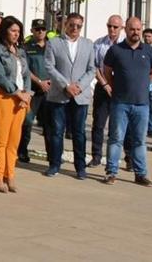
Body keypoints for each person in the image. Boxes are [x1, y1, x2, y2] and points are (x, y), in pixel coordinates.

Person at [101, 16, 152, 186]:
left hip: (142, 104)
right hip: (120, 103)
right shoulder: (116, 50)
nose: (136, 32)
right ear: (125, 29)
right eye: (132, 29)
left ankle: (140, 174)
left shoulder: (148, 50)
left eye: (138, 29)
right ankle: (111, 172)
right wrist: (115, 87)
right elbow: (107, 71)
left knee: (139, 141)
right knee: (116, 138)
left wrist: (143, 84)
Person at [44, 12, 95, 180]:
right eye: (72, 25)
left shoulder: (88, 44)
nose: (75, 28)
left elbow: (91, 69)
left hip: (80, 95)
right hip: (59, 94)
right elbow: (49, 66)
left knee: (79, 133)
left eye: (78, 26)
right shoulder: (54, 42)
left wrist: (79, 86)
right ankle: (54, 164)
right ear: (66, 24)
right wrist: (66, 85)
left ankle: (80, 167)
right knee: (57, 131)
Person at [0, 16, 31, 193]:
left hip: (21, 99)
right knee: (1, 140)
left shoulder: (20, 51)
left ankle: (10, 174)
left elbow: (27, 74)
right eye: (13, 30)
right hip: (3, 96)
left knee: (14, 140)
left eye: (18, 31)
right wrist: (18, 93)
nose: (16, 34)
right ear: (5, 30)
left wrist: (27, 94)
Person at [89, 15, 123, 167]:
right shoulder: (99, 44)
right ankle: (96, 156)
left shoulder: (125, 44)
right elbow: (95, 66)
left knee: (119, 126)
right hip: (103, 87)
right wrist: (104, 84)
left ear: (121, 28)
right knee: (99, 123)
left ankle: (124, 157)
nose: (112, 29)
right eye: (110, 26)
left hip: (121, 89)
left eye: (115, 27)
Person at [18, 19, 52, 164]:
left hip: (50, 91)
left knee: (50, 125)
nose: (40, 32)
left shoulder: (52, 46)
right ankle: (22, 151)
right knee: (27, 122)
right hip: (33, 91)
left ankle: (52, 155)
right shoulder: (26, 47)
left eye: (43, 29)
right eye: (37, 29)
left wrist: (50, 82)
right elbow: (25, 69)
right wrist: (39, 81)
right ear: (32, 30)